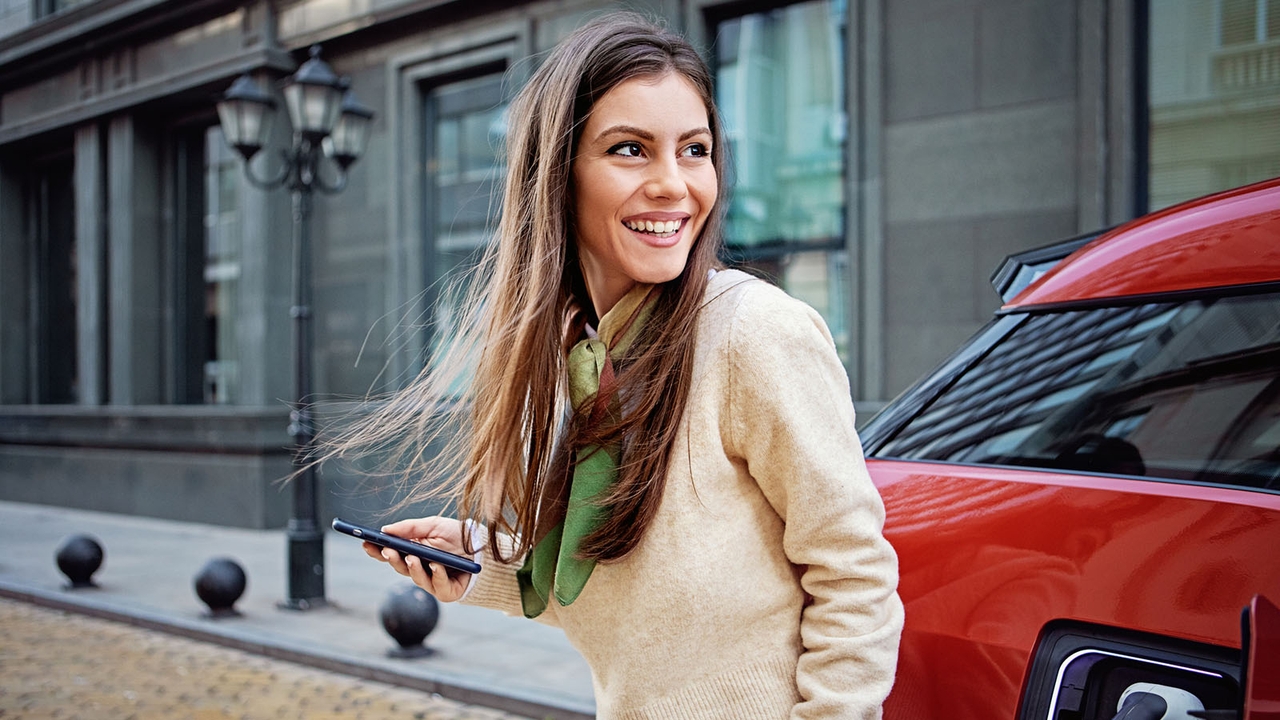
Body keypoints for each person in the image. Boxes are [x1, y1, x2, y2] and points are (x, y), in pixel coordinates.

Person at [331, 12, 904, 718]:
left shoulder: (753, 332)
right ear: (559, 175)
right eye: (631, 149)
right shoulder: (585, 355)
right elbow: (638, 605)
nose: (674, 184)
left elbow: (857, 576)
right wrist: (487, 562)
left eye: (694, 150)